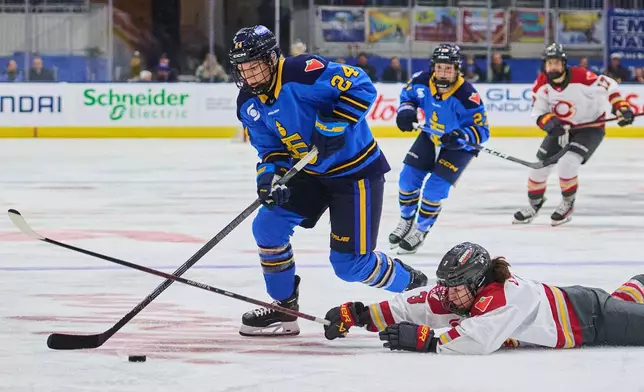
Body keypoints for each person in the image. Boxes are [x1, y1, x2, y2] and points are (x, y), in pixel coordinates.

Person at [229, 25, 428, 337]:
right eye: (243, 69)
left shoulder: (302, 72)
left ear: (271, 58)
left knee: (350, 267)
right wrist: (269, 178)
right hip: (309, 173)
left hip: (354, 172)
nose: (249, 76)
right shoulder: (248, 103)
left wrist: (333, 124)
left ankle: (417, 289)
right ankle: (284, 306)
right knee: (267, 226)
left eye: (254, 67)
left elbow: (362, 85)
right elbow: (270, 150)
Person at [323, 241, 644, 355]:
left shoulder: (508, 295)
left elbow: (479, 339)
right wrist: (360, 314)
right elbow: (411, 304)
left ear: (477, 282)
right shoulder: (458, 292)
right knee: (628, 302)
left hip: (593, 320)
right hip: (581, 305)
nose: (448, 293)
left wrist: (429, 342)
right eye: (447, 284)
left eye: (457, 285)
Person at [513, 43, 634, 226]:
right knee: (538, 169)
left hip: (590, 128)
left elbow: (609, 84)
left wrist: (620, 106)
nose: (553, 67)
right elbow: (538, 113)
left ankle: (567, 203)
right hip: (563, 129)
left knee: (568, 163)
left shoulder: (581, 76)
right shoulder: (541, 84)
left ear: (564, 64)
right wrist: (548, 122)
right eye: (549, 63)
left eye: (556, 63)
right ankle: (534, 205)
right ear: (544, 65)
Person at [388, 44, 490, 254]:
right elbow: (408, 97)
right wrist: (406, 111)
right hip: (430, 135)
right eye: (441, 67)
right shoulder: (420, 80)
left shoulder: (467, 95)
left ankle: (421, 229)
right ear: (434, 67)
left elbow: (482, 130)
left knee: (434, 190)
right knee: (407, 180)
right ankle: (406, 220)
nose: (444, 73)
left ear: (457, 69)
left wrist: (462, 135)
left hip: (458, 147)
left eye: (449, 68)